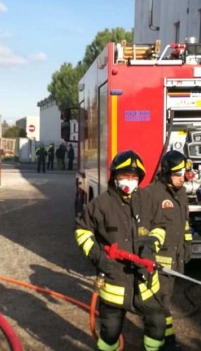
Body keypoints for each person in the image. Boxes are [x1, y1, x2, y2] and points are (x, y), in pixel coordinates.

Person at [75, 150, 168, 351]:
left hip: (146, 282)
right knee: (109, 333)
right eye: (124, 176)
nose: (129, 181)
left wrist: (151, 247)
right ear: (114, 176)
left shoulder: (148, 200)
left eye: (134, 177)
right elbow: (82, 230)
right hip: (114, 283)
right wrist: (98, 257)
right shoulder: (101, 204)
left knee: (157, 326)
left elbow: (160, 226)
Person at [142, 150, 194, 351]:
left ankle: (168, 340)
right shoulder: (152, 194)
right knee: (158, 304)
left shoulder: (180, 194)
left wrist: (187, 245)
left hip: (173, 259)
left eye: (184, 174)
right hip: (157, 263)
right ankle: (159, 343)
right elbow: (142, 229)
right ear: (166, 173)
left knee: (165, 302)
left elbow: (184, 224)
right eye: (178, 174)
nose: (183, 179)